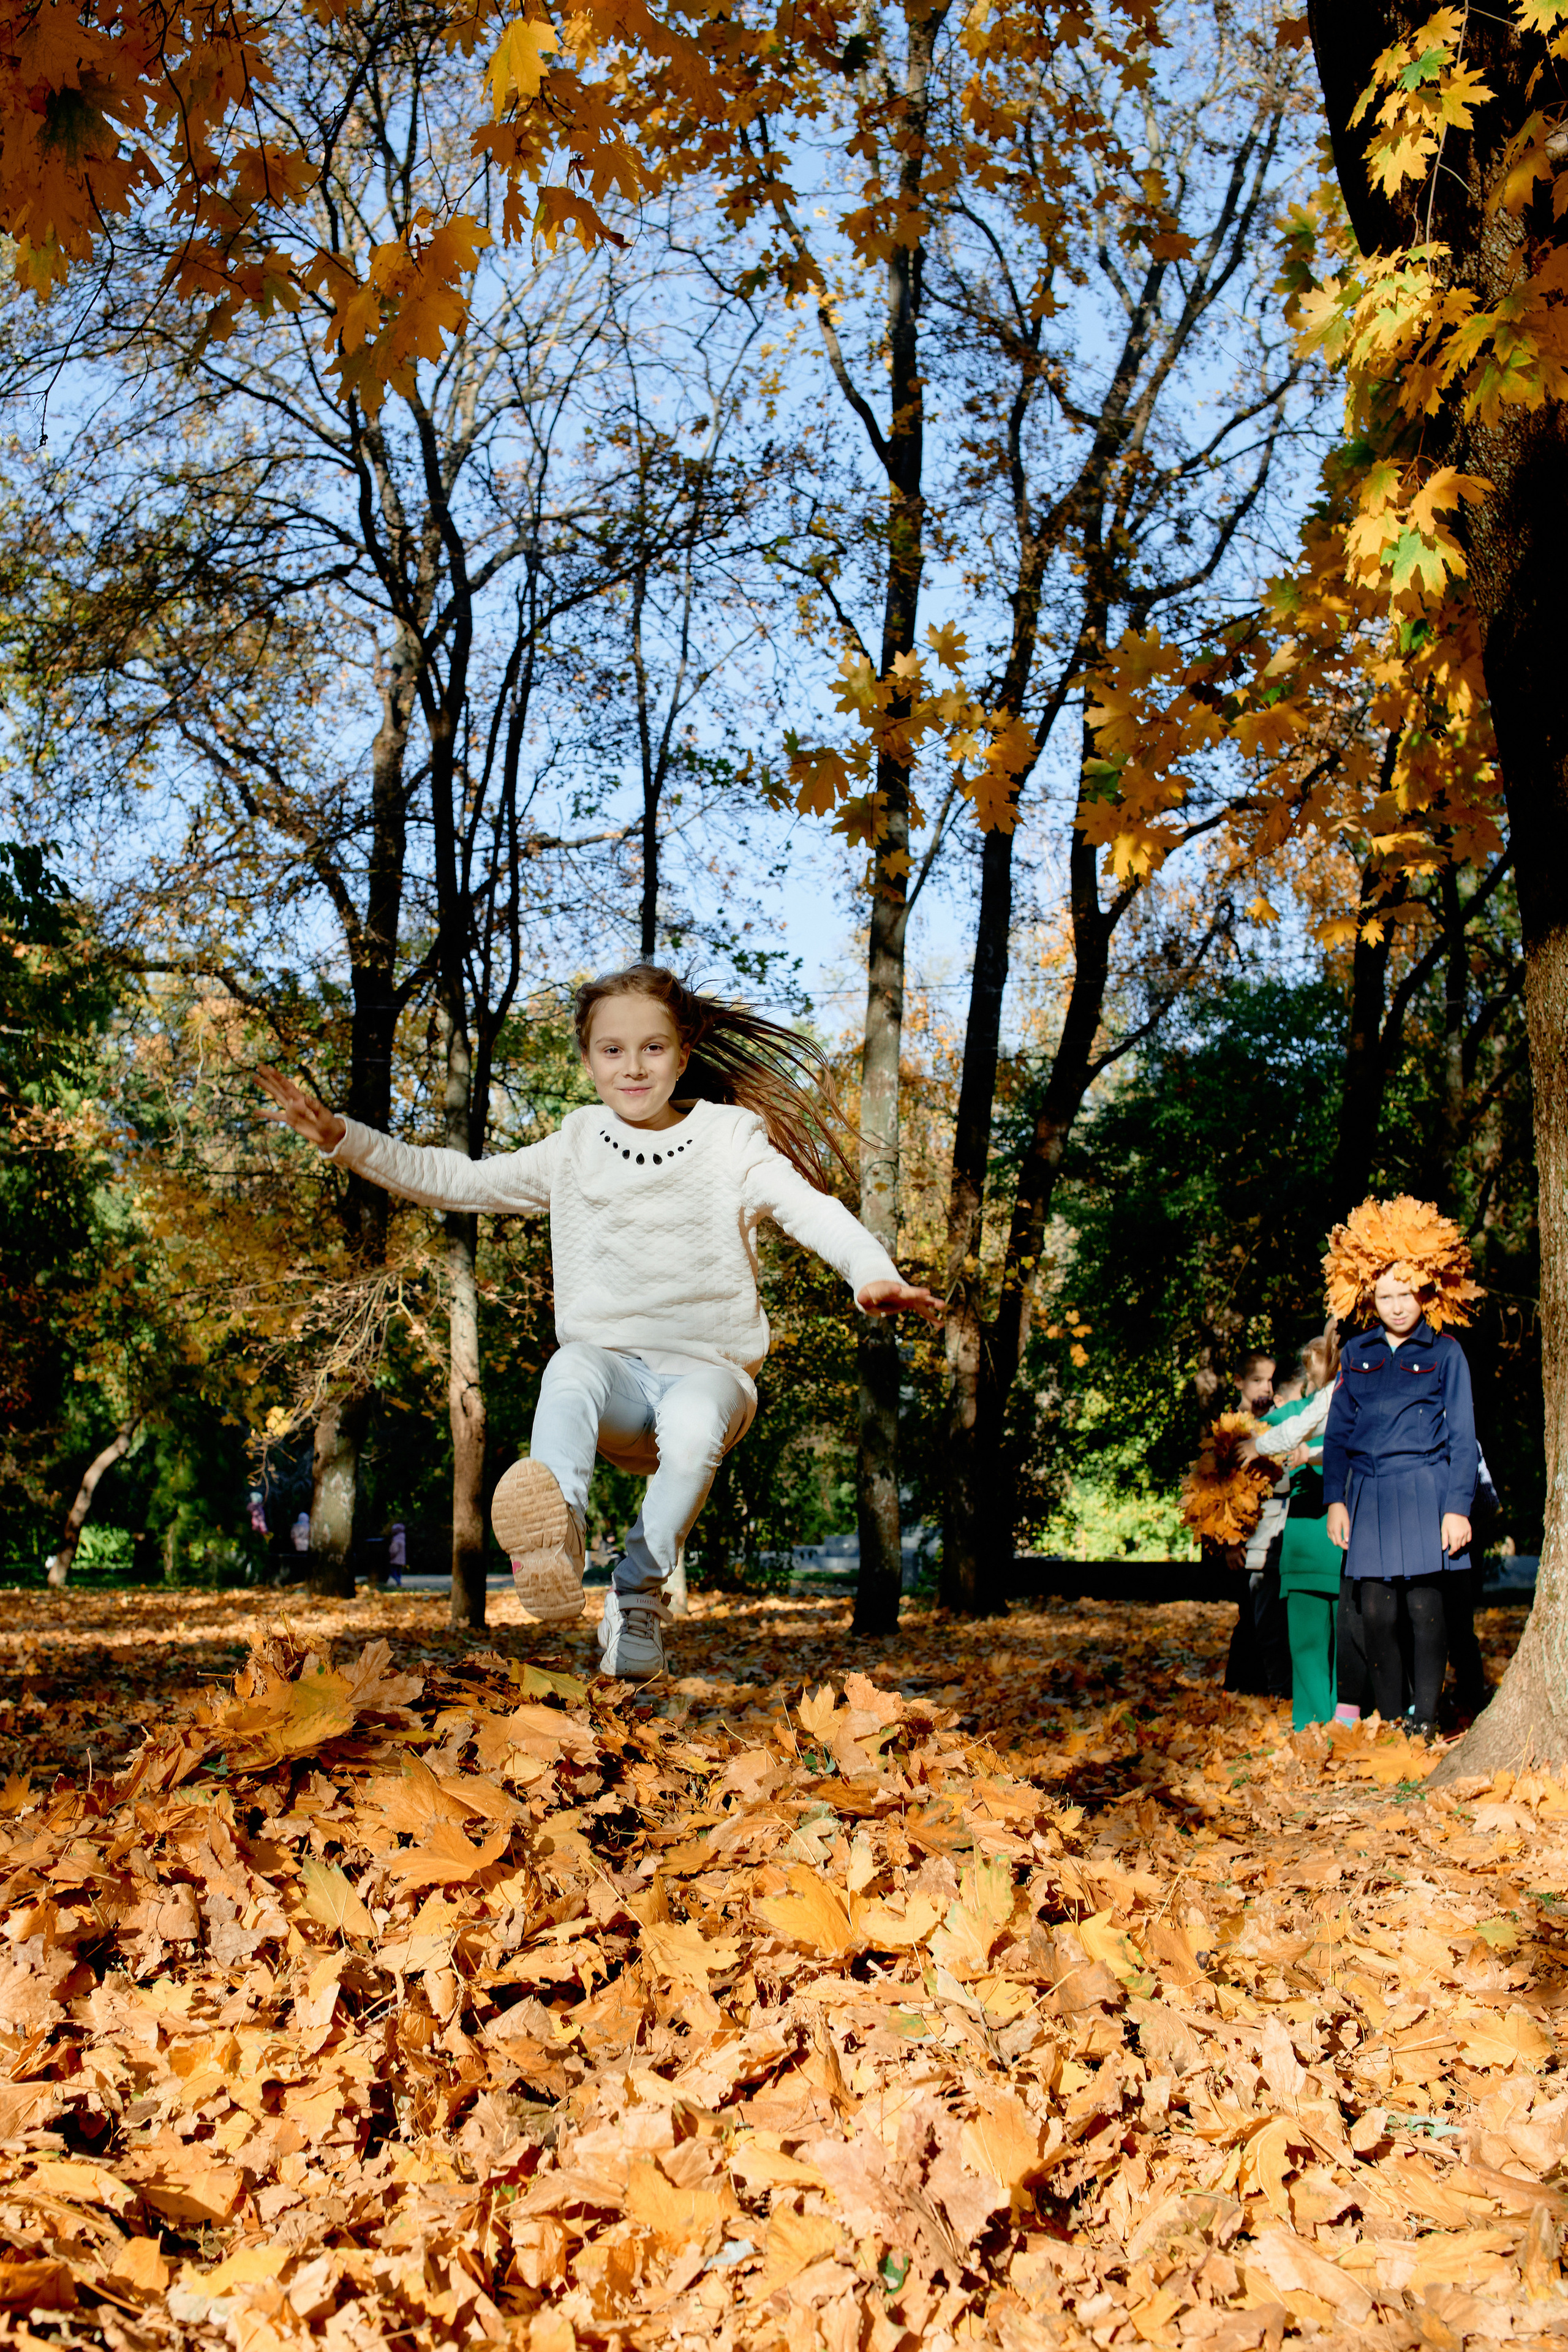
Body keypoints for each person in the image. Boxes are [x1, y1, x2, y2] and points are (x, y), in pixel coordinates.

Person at [257, 964, 940, 1680]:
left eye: (653, 1048)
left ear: (683, 1052)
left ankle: (637, 1594)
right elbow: (461, 1182)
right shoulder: (575, 1146)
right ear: (587, 1061)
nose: (634, 1066)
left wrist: (871, 1273)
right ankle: (557, 1535)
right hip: (616, 1381)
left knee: (698, 1416)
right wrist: (345, 1137)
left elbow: (811, 1210)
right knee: (572, 1365)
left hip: (711, 1378)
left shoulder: (732, 1140)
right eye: (612, 1050)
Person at [1323, 1259, 1479, 1740]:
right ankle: (1392, 1722)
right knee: (1376, 1613)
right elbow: (1336, 1434)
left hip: (1426, 1490)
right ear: (1370, 1299)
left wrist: (1457, 1507)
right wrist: (1335, 1499)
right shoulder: (1355, 1352)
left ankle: (1425, 1721)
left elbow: (1463, 1435)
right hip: (1369, 1494)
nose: (1396, 1307)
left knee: (1426, 1611)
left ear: (1426, 1295)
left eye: (1406, 1295)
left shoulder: (1447, 1352)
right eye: (1386, 1297)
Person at [1253, 1329, 1341, 1730]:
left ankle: (1313, 1725)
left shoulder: (1304, 1411)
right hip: (1336, 1537)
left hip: (1313, 1534)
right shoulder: (1350, 1405)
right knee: (1339, 1642)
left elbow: (1245, 1433)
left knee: (1309, 1644)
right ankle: (1336, 1722)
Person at [1223, 1350, 1291, 1697]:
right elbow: (1220, 1490)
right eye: (1257, 1380)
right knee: (1251, 1615)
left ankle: (1270, 1687)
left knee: (1273, 1614)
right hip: (1245, 1535)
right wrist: (1231, 1542)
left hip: (1278, 1529)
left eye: (1270, 1380)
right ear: (1239, 1382)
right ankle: (1241, 1688)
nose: (1265, 1387)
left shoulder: (1280, 1420)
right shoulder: (1228, 1428)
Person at [388, 1521, 407, 1587]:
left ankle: (399, 1583)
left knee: (393, 1572)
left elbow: (394, 1550)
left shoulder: (396, 1540)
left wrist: (391, 1555)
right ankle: (399, 1583)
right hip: (401, 1560)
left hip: (395, 1559)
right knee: (399, 1572)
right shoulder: (403, 1538)